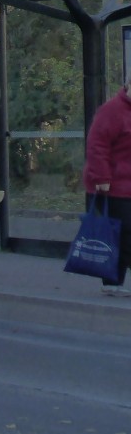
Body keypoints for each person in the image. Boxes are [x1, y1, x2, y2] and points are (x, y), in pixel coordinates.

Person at [83, 80, 131, 296]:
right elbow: (97, 145)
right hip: (114, 186)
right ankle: (111, 282)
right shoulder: (112, 110)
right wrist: (101, 176)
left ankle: (114, 281)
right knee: (119, 234)